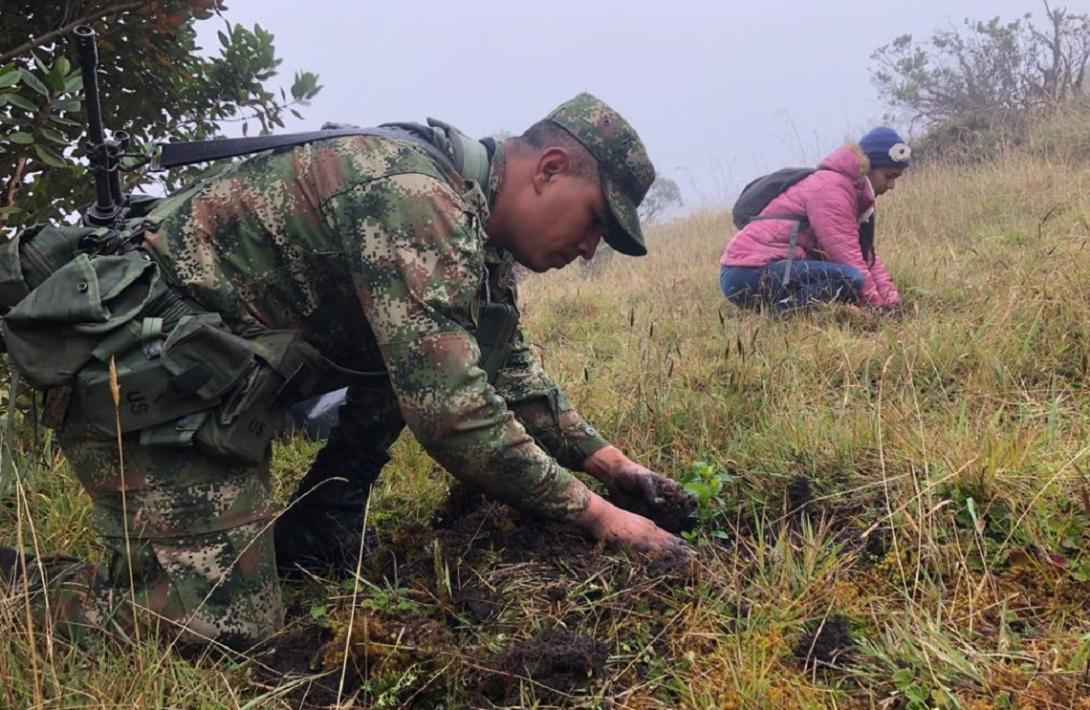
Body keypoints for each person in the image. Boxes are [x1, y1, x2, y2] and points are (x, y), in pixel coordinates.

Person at [0, 93, 693, 651]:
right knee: (217, 631)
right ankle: (20, 584)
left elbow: (507, 373)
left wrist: (616, 469)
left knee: (425, 353)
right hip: (141, 370)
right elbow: (453, 415)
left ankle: (318, 522)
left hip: (217, 379)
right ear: (548, 169)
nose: (588, 246)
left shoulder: (475, 230)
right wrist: (602, 520)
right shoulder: (416, 198)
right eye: (596, 220)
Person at [719, 126, 909, 313]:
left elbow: (866, 257)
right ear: (869, 167)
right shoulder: (832, 190)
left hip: (762, 270)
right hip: (748, 272)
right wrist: (877, 306)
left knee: (848, 282)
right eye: (888, 176)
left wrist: (893, 302)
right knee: (849, 279)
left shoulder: (854, 194)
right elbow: (848, 257)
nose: (891, 185)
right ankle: (780, 314)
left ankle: (780, 307)